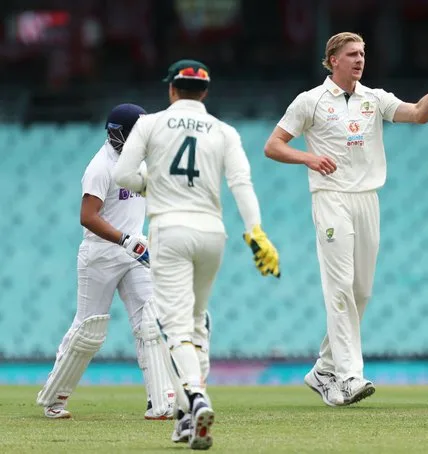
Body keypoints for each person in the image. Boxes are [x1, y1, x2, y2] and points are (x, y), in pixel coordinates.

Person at [264, 32, 428, 407]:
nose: (359, 59)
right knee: (340, 288)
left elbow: (419, 114)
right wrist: (309, 158)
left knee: (361, 290)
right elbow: (274, 145)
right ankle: (349, 376)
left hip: (368, 199)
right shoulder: (309, 101)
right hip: (331, 198)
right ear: (332, 59)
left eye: (363, 53)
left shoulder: (373, 98)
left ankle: (323, 369)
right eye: (351, 54)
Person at [114, 60, 280, 450]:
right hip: (212, 234)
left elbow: (124, 175)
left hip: (170, 229)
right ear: (204, 92)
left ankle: (195, 396)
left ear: (172, 90)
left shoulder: (150, 124)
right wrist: (256, 232)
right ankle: (186, 419)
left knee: (173, 326)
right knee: (196, 322)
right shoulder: (224, 131)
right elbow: (241, 183)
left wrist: (150, 184)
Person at [37, 104, 176, 421]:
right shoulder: (101, 167)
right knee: (89, 329)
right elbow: (87, 217)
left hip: (134, 253)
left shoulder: (139, 162)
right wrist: (125, 239)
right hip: (100, 254)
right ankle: (54, 399)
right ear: (119, 133)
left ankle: (160, 402)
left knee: (152, 322)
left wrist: (145, 238)